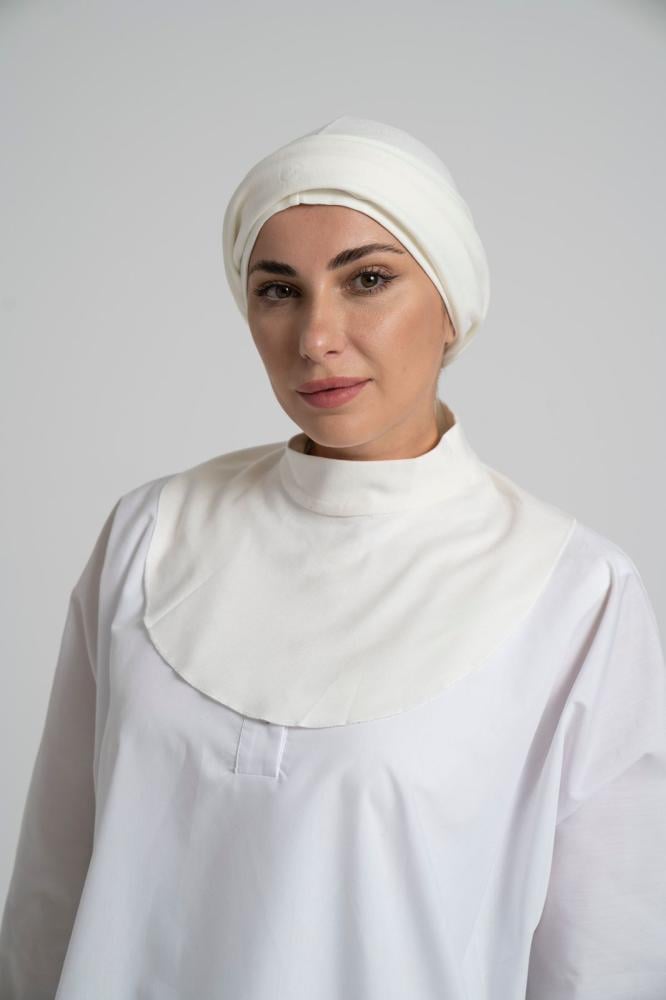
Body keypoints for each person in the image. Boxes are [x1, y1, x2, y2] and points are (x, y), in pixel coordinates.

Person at [1, 115, 664, 999]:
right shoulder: (150, 534)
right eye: (279, 290)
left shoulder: (574, 592)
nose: (316, 337)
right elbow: (51, 890)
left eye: (368, 281)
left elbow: (604, 962)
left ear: (450, 302)